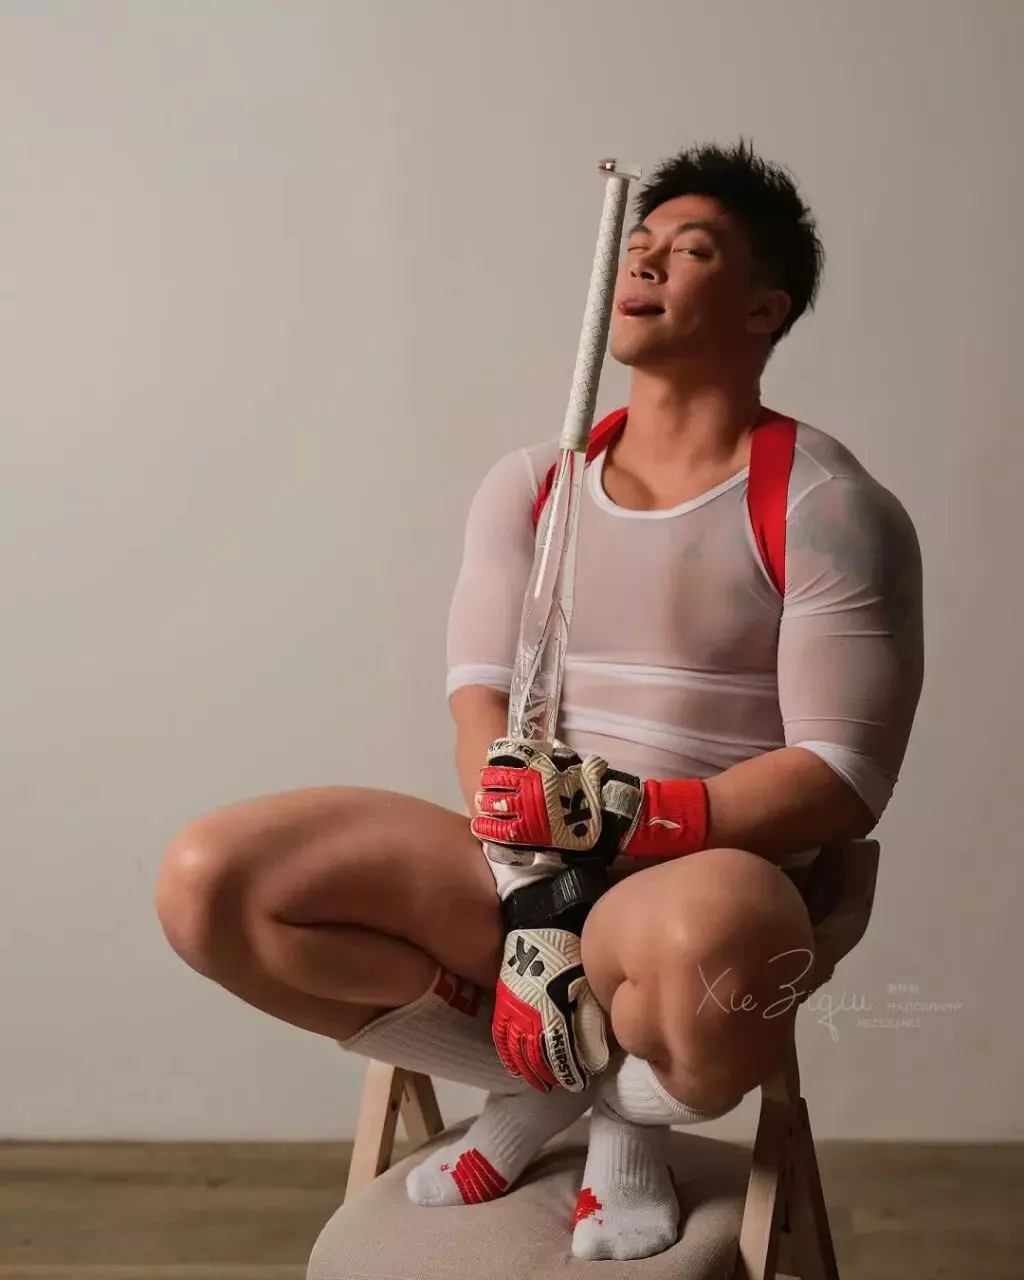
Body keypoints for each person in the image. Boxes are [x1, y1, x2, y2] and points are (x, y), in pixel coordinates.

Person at [156, 140, 924, 1261]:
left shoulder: (831, 506)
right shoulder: (532, 485)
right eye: (639, 241)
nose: (645, 261)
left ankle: (618, 1115)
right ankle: (542, 1072)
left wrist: (627, 819)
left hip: (693, 893)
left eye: (691, 250)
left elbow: (842, 778)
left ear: (766, 308)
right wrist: (534, 910)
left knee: (719, 941)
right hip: (521, 876)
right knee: (211, 884)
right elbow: (480, 708)